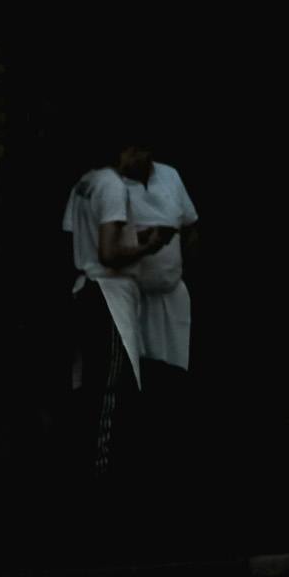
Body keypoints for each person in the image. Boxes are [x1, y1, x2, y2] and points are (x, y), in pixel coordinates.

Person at [65, 124, 198, 517]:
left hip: (99, 289)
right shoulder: (109, 187)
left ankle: (99, 470)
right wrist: (151, 244)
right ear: (123, 151)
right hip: (109, 290)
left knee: (100, 382)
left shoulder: (86, 183)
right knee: (108, 388)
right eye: (137, 151)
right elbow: (109, 251)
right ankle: (100, 480)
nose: (142, 160)